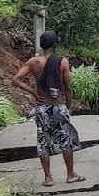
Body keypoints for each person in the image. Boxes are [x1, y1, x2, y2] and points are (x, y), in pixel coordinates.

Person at [11, 31, 84, 187]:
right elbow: (68, 87)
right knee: (66, 140)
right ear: (54, 46)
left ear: (41, 45)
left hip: (42, 108)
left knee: (43, 141)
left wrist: (33, 92)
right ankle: (70, 174)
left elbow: (15, 80)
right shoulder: (62, 62)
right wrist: (68, 106)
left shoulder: (33, 62)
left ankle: (48, 178)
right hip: (58, 106)